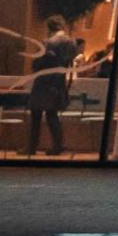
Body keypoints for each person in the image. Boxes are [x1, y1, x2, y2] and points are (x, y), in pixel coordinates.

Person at [26, 14, 79, 156]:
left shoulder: (47, 43)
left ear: (49, 27)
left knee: (36, 114)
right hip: (59, 82)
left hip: (43, 82)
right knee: (52, 115)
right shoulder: (71, 43)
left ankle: (31, 147)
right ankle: (57, 146)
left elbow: (36, 64)